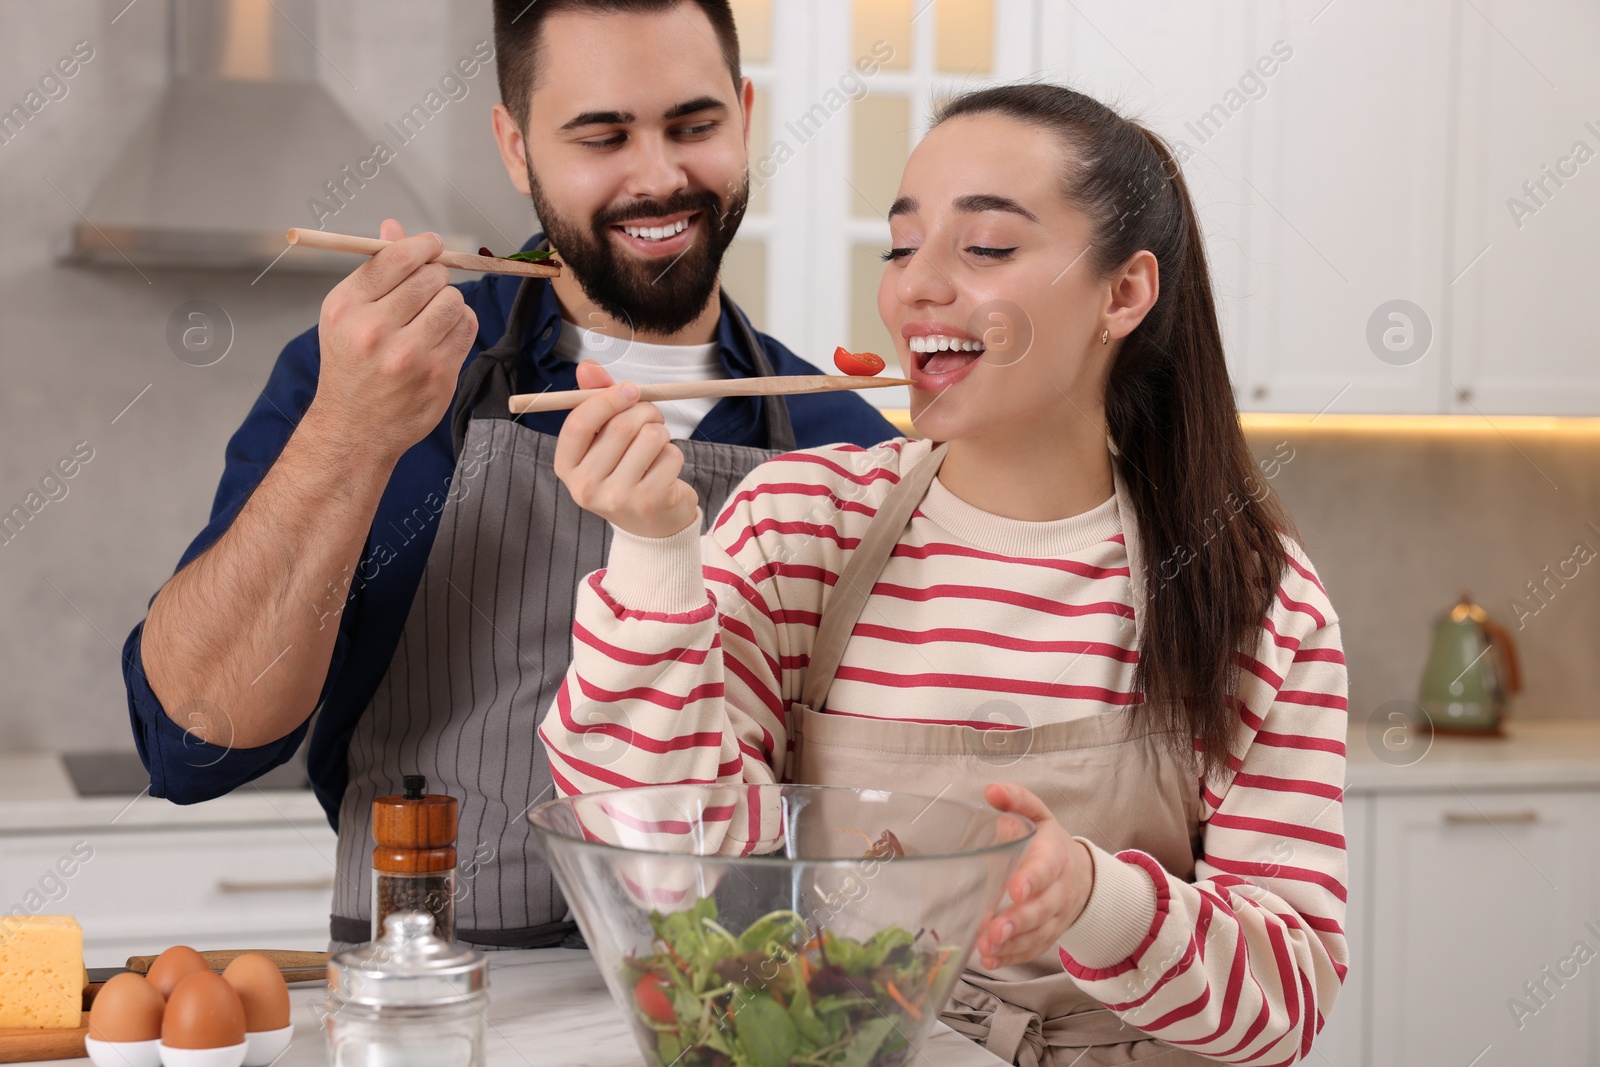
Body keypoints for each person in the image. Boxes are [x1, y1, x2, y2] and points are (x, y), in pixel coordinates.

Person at [540, 83, 1348, 1065]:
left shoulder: (1256, 595)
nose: (912, 288)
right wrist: (654, 547)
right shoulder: (800, 529)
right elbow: (668, 869)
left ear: (1123, 294)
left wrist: (1095, 897)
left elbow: (1287, 997)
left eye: (986, 249)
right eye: (899, 246)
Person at [119, 0, 896, 950]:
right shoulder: (381, 375)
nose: (659, 176)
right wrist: (347, 434)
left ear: (744, 113)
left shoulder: (847, 447)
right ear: (517, 147)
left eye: (694, 127)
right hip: (428, 1004)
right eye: (601, 136)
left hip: (733, 1014)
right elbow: (193, 744)